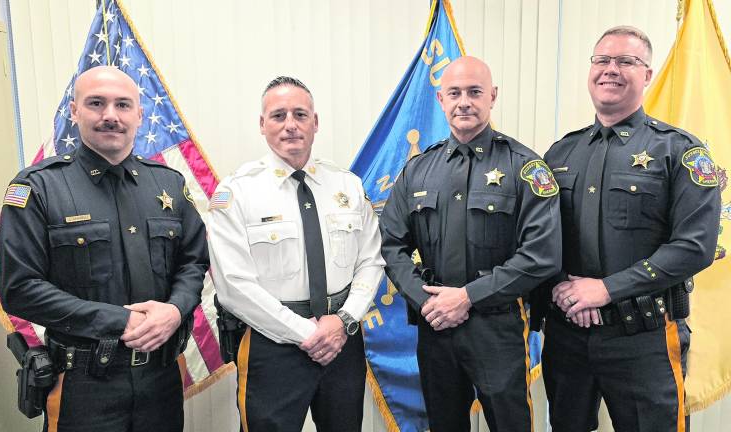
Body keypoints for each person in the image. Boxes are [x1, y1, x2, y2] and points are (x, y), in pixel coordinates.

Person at [0, 66, 209, 432]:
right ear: (74, 111)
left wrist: (175, 311)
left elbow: (193, 262)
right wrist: (122, 321)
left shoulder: (169, 185)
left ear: (139, 115)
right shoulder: (39, 187)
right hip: (83, 385)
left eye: (123, 105)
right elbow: (20, 289)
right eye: (96, 103)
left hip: (161, 382)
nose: (110, 115)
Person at [540, 26, 720, 432]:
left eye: (626, 61)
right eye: (602, 60)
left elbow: (695, 247)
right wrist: (558, 287)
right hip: (568, 338)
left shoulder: (681, 151)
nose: (611, 69)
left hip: (644, 339)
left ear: (648, 75)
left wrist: (604, 289)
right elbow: (539, 238)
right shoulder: (560, 152)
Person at [380, 56, 562, 431]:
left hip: (497, 328)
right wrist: (426, 300)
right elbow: (390, 244)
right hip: (436, 328)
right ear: (440, 99)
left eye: (474, 92)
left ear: (492, 96)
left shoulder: (525, 167)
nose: (464, 101)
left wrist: (466, 297)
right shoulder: (418, 169)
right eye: (455, 93)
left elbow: (542, 255)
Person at [207, 76, 384, 432]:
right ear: (262, 124)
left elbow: (371, 261)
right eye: (278, 115)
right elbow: (233, 284)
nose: (291, 125)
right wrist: (305, 332)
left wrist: (344, 321)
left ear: (315, 122)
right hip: (272, 345)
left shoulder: (346, 184)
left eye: (300, 114)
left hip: (342, 340)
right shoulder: (236, 192)